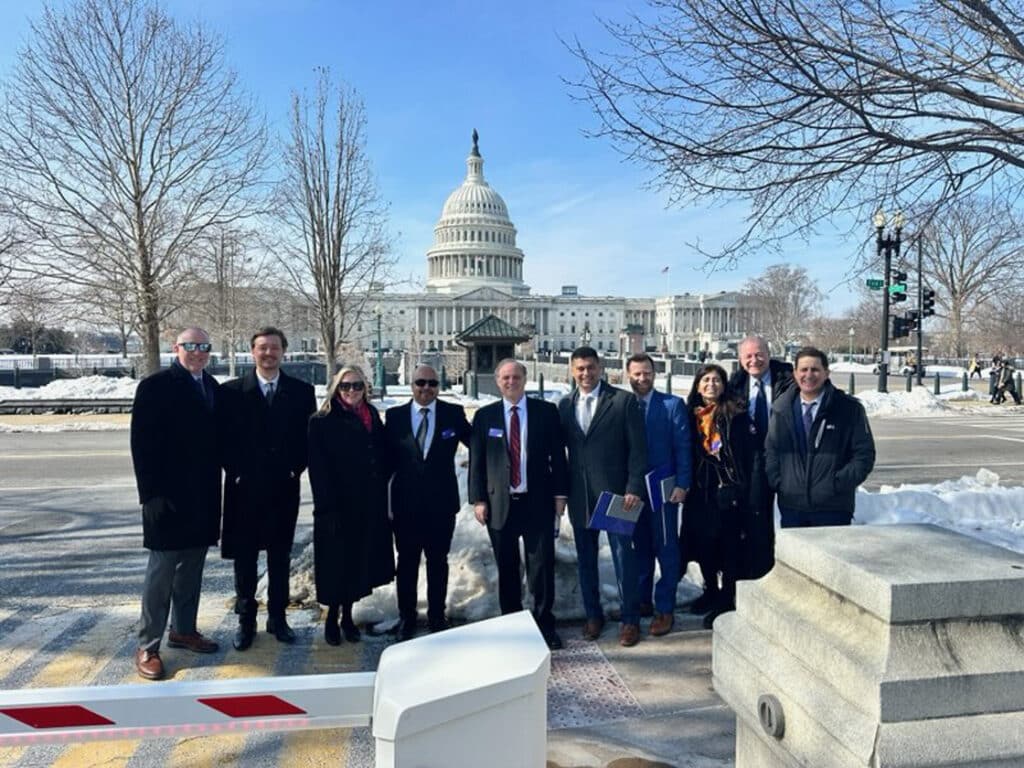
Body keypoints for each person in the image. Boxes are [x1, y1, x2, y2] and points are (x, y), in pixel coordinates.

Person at [130, 327, 222, 681]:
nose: (197, 352)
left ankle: (183, 629)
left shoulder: (212, 387)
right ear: (176, 348)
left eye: (203, 347)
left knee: (191, 570)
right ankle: (148, 644)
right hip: (165, 498)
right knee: (161, 574)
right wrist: (149, 495)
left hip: (203, 497)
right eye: (190, 346)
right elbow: (142, 444)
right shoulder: (155, 387)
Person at [220, 327, 316, 651]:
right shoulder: (232, 392)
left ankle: (278, 618)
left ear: (283, 352)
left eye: (274, 348)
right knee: (245, 561)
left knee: (279, 558)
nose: (268, 353)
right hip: (243, 489)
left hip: (283, 488)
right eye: (262, 348)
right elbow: (223, 442)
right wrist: (237, 473)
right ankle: (246, 622)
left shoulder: (301, 392)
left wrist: (294, 469)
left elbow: (307, 440)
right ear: (252, 352)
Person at [469, 359, 568, 650]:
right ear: (498, 382)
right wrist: (478, 499)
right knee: (508, 568)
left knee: (541, 568)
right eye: (505, 378)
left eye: (515, 377)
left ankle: (543, 624)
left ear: (525, 379)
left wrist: (560, 495)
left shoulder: (545, 412)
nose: (510, 382)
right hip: (500, 504)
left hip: (536, 501)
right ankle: (511, 625)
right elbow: (477, 461)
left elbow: (558, 458)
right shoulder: (485, 416)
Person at [557, 346, 647, 647]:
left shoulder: (621, 401)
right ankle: (593, 615)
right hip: (580, 495)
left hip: (617, 495)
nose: (586, 373)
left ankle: (630, 620)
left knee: (624, 557)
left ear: (600, 368)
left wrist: (633, 488)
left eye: (591, 368)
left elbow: (638, 450)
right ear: (572, 370)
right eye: (580, 368)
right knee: (586, 560)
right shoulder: (565, 405)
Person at [307, 365, 394, 645]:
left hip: (367, 504)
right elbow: (318, 470)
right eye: (346, 386)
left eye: (357, 386)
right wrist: (327, 508)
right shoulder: (322, 421)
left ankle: (348, 616)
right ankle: (332, 617)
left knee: (358, 564)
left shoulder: (372, 417)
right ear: (336, 389)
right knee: (336, 566)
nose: (352, 391)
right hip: (336, 506)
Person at [385, 364, 471, 640]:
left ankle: (436, 615)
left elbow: (479, 445)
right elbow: (382, 458)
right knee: (407, 563)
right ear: (411, 384)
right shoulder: (395, 416)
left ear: (439, 386)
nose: (426, 388)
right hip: (405, 504)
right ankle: (406, 616)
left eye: (432, 383)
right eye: (420, 382)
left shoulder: (453, 414)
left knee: (438, 561)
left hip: (441, 504)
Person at [681, 363, 757, 629]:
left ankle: (727, 596)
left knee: (728, 546)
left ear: (724, 385)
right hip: (699, 489)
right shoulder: (690, 414)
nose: (711, 385)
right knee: (703, 545)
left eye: (716, 380)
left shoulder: (735, 413)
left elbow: (748, 455)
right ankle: (710, 589)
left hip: (727, 488)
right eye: (706, 380)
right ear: (698, 385)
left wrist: (745, 489)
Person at [765, 347, 876, 528]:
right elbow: (771, 451)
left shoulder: (848, 409)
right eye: (804, 369)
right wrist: (780, 482)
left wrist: (836, 484)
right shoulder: (781, 409)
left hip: (833, 508)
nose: (809, 375)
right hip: (792, 507)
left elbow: (864, 455)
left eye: (815, 369)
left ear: (826, 373)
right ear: (795, 373)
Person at [625, 353, 691, 637]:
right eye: (637, 374)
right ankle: (641, 601)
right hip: (632, 491)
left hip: (663, 488)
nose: (642, 379)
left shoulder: (671, 405)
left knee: (666, 548)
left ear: (655, 373)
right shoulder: (623, 406)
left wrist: (683, 484)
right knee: (639, 549)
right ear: (628, 375)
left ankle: (665, 608)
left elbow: (683, 446)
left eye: (647, 373)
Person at [727, 335, 795, 579]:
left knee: (794, 524)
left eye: (759, 354)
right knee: (757, 522)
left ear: (769, 353)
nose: (754, 360)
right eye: (748, 356)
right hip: (753, 464)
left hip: (789, 461)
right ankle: (760, 575)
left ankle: (792, 574)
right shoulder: (735, 385)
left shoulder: (790, 379)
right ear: (740, 359)